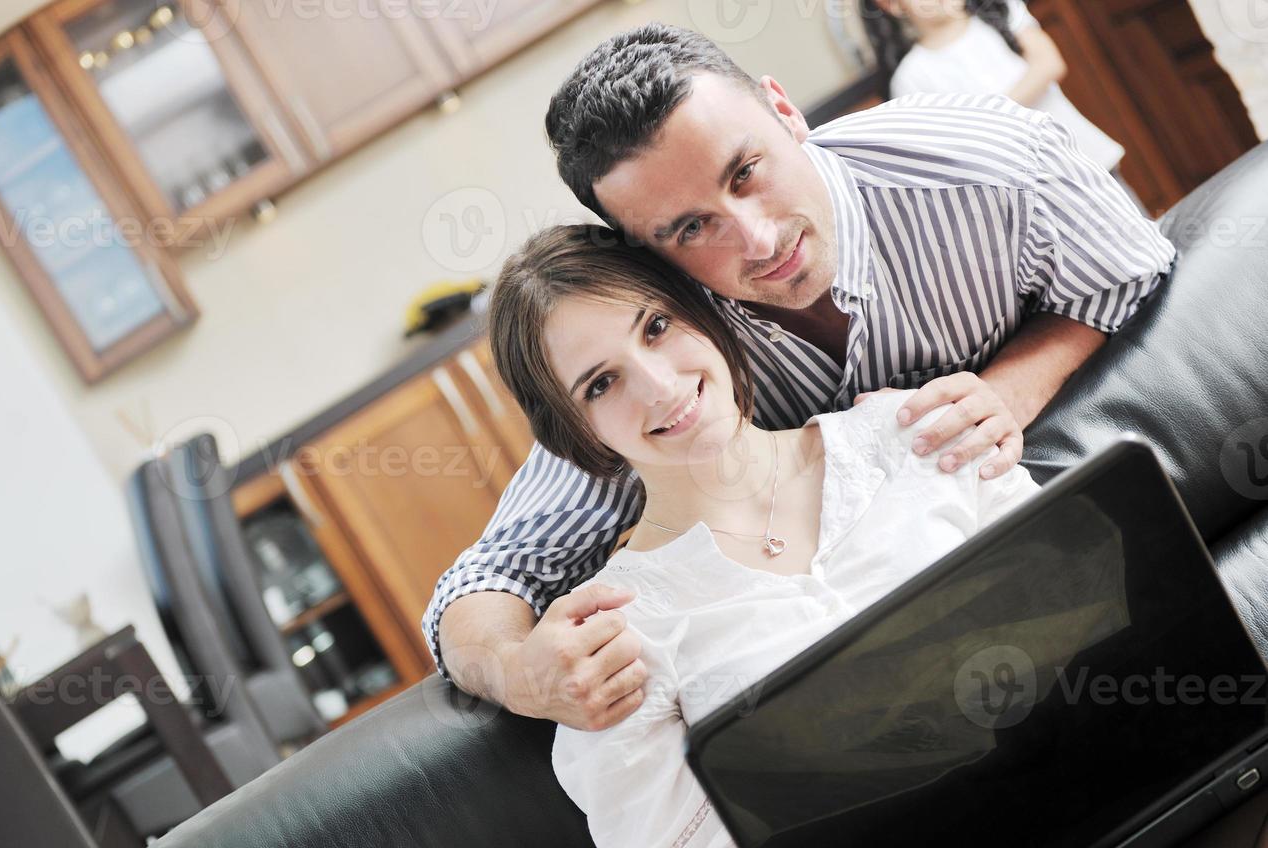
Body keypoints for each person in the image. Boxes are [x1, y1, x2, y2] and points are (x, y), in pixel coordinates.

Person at [488, 222, 1268, 848]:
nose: (658, 384)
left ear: (703, 313)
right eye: (601, 383)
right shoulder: (605, 640)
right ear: (574, 434)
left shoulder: (915, 432)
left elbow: (1117, 634)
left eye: (656, 327)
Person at [426, 23, 1175, 734]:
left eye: (746, 172)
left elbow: (1129, 266)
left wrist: (1012, 387)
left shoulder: (991, 162)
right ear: (646, 255)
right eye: (690, 228)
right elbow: (490, 577)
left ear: (785, 111)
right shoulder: (666, 364)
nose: (757, 239)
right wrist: (516, 672)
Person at [862, 0, 1131, 196]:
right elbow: (952, 149)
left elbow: (1049, 63)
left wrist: (988, 118)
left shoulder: (1000, 10)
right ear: (892, 5)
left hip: (1087, 159)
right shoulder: (910, 78)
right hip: (1033, 195)